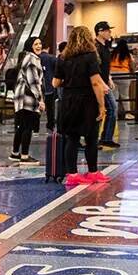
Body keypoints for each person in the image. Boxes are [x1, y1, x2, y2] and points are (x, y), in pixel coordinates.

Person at [53, 25, 108, 185]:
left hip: (69, 101)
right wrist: (102, 106)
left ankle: (72, 174)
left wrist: (70, 80)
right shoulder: (90, 56)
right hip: (88, 101)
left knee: (72, 138)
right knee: (91, 138)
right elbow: (96, 82)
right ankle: (92, 172)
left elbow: (55, 82)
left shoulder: (62, 57)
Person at [11, 36, 44, 165]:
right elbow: (33, 82)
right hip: (27, 98)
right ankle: (24, 156)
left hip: (21, 98)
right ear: (30, 45)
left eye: (40, 43)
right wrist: (40, 99)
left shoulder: (27, 57)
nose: (39, 46)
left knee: (22, 126)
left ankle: (15, 153)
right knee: (28, 126)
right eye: (36, 44)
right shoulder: (31, 59)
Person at [94, 21, 120, 149]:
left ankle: (105, 137)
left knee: (109, 109)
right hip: (98, 84)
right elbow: (96, 68)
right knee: (106, 109)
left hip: (103, 82)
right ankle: (100, 138)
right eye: (107, 30)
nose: (109, 33)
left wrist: (109, 78)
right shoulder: (95, 47)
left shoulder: (105, 46)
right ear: (100, 31)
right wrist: (102, 83)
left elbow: (105, 66)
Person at [40, 41, 59, 130]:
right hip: (50, 86)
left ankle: (35, 126)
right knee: (50, 107)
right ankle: (50, 123)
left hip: (39, 86)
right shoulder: (52, 58)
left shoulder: (36, 57)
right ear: (48, 48)